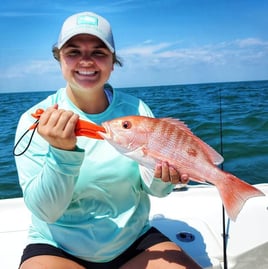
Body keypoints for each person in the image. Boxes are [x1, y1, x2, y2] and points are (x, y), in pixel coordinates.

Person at [15, 11, 202, 269]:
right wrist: (62, 152)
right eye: (73, 52)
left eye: (99, 52)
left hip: (133, 241)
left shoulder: (137, 110)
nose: (86, 61)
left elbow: (156, 190)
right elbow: (47, 212)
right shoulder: (35, 120)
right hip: (57, 246)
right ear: (59, 58)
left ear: (113, 61)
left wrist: (162, 177)